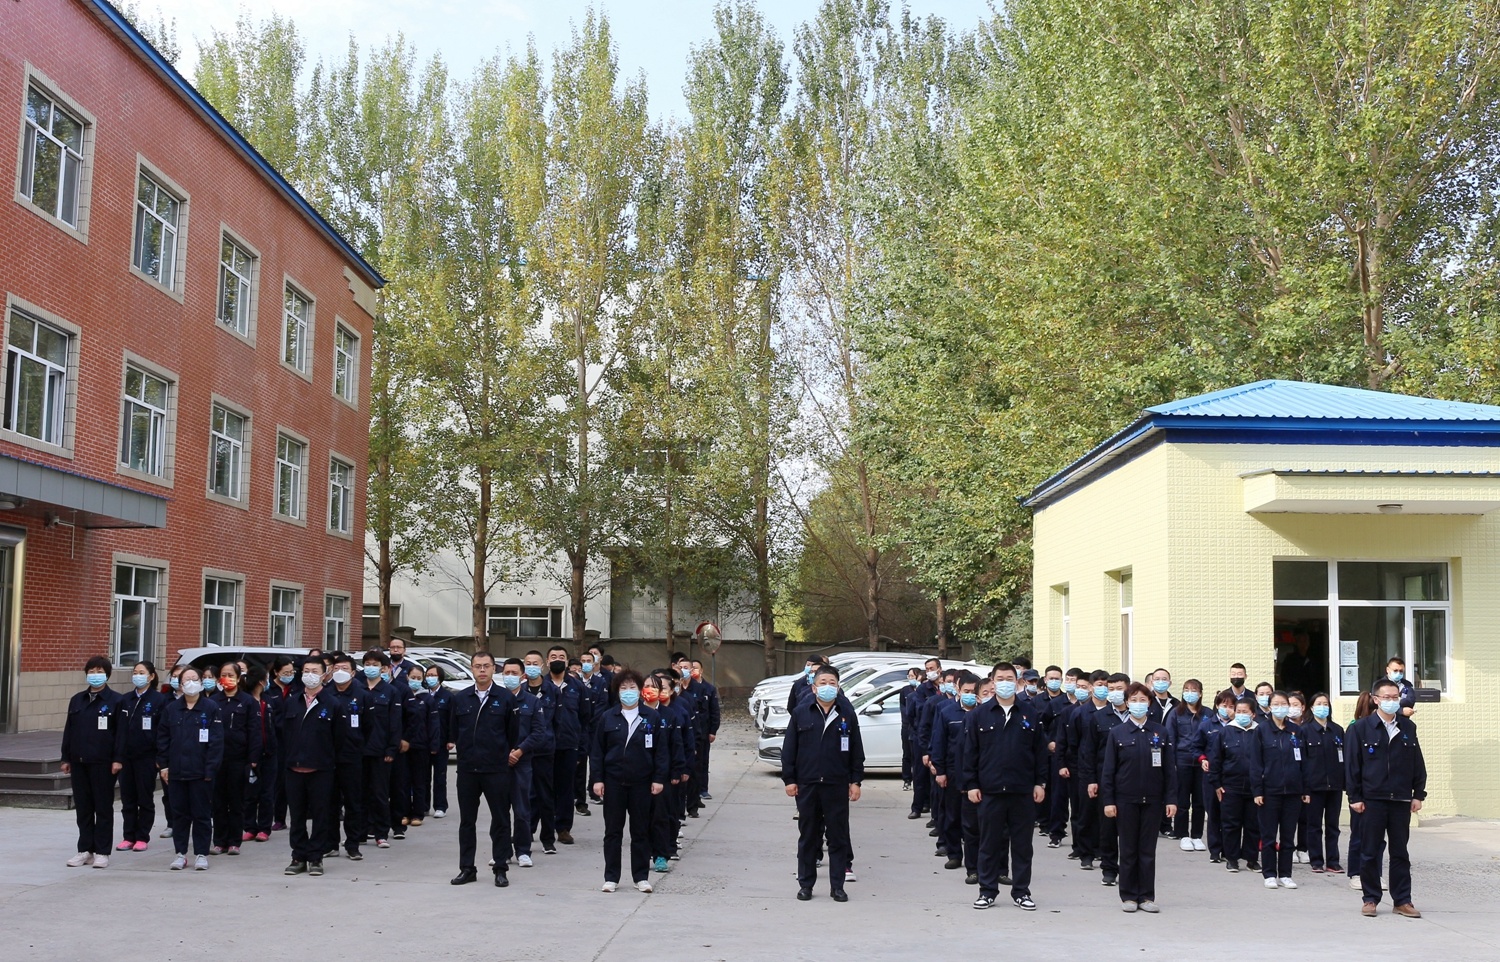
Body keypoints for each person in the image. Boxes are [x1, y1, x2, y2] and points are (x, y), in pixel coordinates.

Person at [962, 662, 1047, 911]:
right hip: (990, 791)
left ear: (1017, 680)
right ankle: (987, 891)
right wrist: (971, 784)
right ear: (992, 681)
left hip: (1022, 791)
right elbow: (970, 753)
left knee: (1022, 846)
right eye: (1001, 678)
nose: (1006, 682)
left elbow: (1039, 752)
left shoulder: (1030, 713)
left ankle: (1021, 891)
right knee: (989, 843)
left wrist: (1040, 782)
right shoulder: (979, 715)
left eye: (1010, 678)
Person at [781, 664, 863, 903]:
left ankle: (837, 886)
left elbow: (856, 750)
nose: (828, 687)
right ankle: (806, 884)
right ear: (814, 687)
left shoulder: (847, 713)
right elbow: (790, 749)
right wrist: (790, 779)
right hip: (807, 784)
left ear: (838, 687)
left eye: (832, 683)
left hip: (836, 784)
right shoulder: (801, 713)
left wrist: (855, 780)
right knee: (808, 836)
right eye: (823, 683)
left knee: (837, 837)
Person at [1347, 679, 1427, 918]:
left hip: (1401, 799)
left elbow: (1417, 763)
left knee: (1400, 852)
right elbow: (1352, 767)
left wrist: (1418, 794)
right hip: (1372, 799)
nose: (1392, 701)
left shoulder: (1407, 727)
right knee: (1370, 851)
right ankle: (1370, 898)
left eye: (1395, 697)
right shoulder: (1360, 728)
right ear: (1375, 699)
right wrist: (1355, 797)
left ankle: (1402, 900)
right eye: (1387, 697)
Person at [1101, 682, 1178, 912]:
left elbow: (1169, 770)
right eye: (1133, 700)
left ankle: (1146, 897)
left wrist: (1171, 799)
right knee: (1128, 849)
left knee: (1147, 850)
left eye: (1142, 700)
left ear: (1150, 703)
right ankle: (1128, 897)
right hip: (1125, 800)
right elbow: (1109, 771)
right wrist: (1109, 801)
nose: (1138, 704)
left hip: (1153, 800)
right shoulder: (1117, 733)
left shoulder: (1160, 732)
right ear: (1126, 703)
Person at [593, 668, 671, 894]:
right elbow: (597, 752)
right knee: (613, 832)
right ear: (617, 692)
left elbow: (661, 751)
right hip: (614, 782)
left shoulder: (652, 717)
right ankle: (611, 877)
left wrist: (658, 779)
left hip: (642, 783)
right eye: (623, 688)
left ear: (640, 691)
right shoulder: (608, 717)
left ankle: (640, 877)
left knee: (640, 831)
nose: (628, 692)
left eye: (632, 688)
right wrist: (597, 779)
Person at [448, 650, 521, 888]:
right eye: (477, 666)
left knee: (500, 819)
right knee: (467, 821)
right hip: (468, 769)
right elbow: (453, 731)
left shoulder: (505, 698)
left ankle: (501, 868)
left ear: (493, 669)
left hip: (496, 769)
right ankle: (467, 868)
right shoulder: (460, 698)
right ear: (471, 668)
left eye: (486, 666)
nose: (482, 670)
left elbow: (513, 733)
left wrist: (500, 754)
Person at [277, 658, 343, 877]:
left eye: (315, 671)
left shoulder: (332, 703)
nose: (309, 675)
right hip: (294, 769)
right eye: (306, 671)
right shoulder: (292, 701)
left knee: (320, 815)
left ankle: (316, 857)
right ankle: (298, 856)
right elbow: (283, 734)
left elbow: (339, 739)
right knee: (296, 817)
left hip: (321, 770)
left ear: (325, 675)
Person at [157, 667, 223, 871]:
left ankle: (201, 853)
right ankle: (180, 853)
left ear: (201, 682)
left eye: (195, 678)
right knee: (179, 814)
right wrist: (164, 765)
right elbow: (163, 739)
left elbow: (216, 741)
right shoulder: (172, 709)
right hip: (177, 772)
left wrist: (210, 770)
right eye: (187, 679)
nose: (191, 682)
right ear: (180, 684)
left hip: (200, 773)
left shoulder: (211, 708)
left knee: (201, 814)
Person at [61, 656, 125, 868]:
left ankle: (102, 851)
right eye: (91, 670)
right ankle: (84, 849)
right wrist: (66, 757)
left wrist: (117, 759)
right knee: (84, 808)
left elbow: (121, 734)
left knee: (103, 807)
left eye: (99, 671)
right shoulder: (77, 700)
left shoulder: (116, 701)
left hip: (103, 763)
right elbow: (69, 730)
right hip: (79, 762)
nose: (95, 674)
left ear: (107, 674)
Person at [1251, 690, 1305, 890]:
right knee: (1268, 836)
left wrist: (1304, 789)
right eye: (1277, 704)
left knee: (1289, 836)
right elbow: (1255, 763)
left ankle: (1286, 874)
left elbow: (1303, 762)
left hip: (1292, 791)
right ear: (1270, 706)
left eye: (1284, 704)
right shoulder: (1262, 730)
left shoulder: (1296, 731)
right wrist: (1257, 791)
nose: (1281, 707)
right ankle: (1269, 873)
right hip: (1269, 791)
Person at [499, 657, 551, 869]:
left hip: (522, 762)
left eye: (513, 673)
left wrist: (519, 751)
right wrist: (504, 753)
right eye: (506, 673)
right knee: (500, 810)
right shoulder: (498, 699)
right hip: (499, 763)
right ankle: (501, 851)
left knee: (522, 810)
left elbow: (539, 732)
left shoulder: (532, 702)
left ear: (522, 677)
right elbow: (491, 732)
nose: (509, 677)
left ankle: (523, 850)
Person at [1081, 672, 1132, 887]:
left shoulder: (1141, 717)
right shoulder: (1098, 718)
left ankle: (1131, 869)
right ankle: (1109, 869)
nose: (1114, 693)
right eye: (1111, 689)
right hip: (1106, 779)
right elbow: (1088, 751)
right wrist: (1091, 779)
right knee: (1107, 827)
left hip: (1133, 781)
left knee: (1130, 830)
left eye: (1119, 689)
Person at [208, 663, 262, 856]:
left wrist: (253, 759)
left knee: (236, 801)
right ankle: (219, 841)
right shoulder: (214, 701)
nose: (227, 678)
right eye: (223, 675)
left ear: (239, 678)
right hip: (217, 760)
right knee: (218, 802)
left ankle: (234, 841)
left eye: (231, 675)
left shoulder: (248, 702)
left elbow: (255, 732)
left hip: (239, 759)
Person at [931, 672, 980, 873]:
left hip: (977, 774)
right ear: (958, 690)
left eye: (973, 692)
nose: (969, 695)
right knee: (952, 816)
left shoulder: (983, 713)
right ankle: (954, 854)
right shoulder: (947, 712)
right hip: (952, 771)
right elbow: (939, 742)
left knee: (974, 821)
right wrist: (940, 771)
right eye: (966, 691)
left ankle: (974, 859)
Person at [323, 654, 370, 859]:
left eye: (344, 668)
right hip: (328, 756)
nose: (339, 672)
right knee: (329, 802)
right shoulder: (325, 694)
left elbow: (369, 726)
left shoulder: (362, 694)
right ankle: (331, 843)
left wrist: (359, 745)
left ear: (352, 672)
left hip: (352, 755)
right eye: (336, 668)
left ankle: (353, 844)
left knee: (353, 802)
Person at [544, 644, 591, 845]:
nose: (557, 659)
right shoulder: (540, 685)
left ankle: (563, 828)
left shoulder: (577, 687)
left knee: (565, 789)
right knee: (541, 790)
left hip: (569, 745)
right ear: (547, 661)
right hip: (543, 747)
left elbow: (585, 719)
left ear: (567, 661)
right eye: (553, 656)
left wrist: (582, 748)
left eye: (561, 656)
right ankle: (535, 828)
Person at [118, 660, 166, 853]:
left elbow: (162, 731)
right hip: (126, 757)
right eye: (135, 672)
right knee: (128, 798)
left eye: (142, 672)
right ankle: (128, 835)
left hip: (147, 757)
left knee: (144, 798)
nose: (137, 675)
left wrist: (159, 758)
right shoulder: (125, 700)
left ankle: (142, 836)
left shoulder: (159, 700)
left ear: (151, 676)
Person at [1208, 698, 1259, 874]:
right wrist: (1217, 784)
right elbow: (1215, 760)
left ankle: (1252, 859)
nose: (1242, 715)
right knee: (1230, 824)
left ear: (1253, 713)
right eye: (1239, 711)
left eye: (1246, 712)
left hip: (1255, 788)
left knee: (1254, 824)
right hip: (1231, 786)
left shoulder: (1259, 731)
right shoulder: (1225, 732)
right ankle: (1232, 858)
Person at [359, 650, 401, 847]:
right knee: (359, 793)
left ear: (384, 668)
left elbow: (395, 724)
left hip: (381, 750)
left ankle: (381, 832)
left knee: (380, 793)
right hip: (358, 751)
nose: (370, 667)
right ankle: (360, 830)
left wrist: (391, 749)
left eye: (375, 664)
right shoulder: (358, 689)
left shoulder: (390, 692)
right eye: (367, 663)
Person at [1302, 692, 1345, 874]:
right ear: (1312, 708)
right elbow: (1301, 761)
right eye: (1319, 703)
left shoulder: (1337, 730)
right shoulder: (1304, 730)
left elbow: (1344, 758)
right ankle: (1316, 860)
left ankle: (1333, 861)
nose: (1323, 707)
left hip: (1334, 785)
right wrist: (1304, 788)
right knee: (1314, 826)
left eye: (1325, 703)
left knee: (1333, 826)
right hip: (1314, 786)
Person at [1197, 690, 1235, 862]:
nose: (1226, 709)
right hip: (1211, 775)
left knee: (1230, 815)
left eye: (1230, 706)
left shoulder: (1238, 726)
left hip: (1232, 776)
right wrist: (1202, 759)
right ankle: (1214, 850)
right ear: (1217, 706)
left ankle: (1230, 850)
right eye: (1223, 705)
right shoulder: (1207, 725)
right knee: (1213, 813)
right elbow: (1196, 747)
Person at [241, 663, 277, 843]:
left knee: (267, 793)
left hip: (269, 753)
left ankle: (264, 828)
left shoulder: (269, 700)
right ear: (261, 681)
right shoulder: (245, 701)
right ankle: (249, 826)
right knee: (249, 793)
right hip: (249, 755)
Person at [1168, 679, 1206, 851]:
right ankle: (1182, 834)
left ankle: (1197, 835)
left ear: (1200, 693)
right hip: (1182, 760)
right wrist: (1172, 762)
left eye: (1194, 690)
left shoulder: (1207, 714)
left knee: (1200, 801)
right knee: (1183, 800)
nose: (1190, 693)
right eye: (1186, 689)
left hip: (1201, 762)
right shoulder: (1176, 713)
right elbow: (1170, 739)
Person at [401, 665, 436, 829]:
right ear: (407, 677)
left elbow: (433, 724)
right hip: (403, 746)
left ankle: (418, 813)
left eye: (418, 678)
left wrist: (433, 744)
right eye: (412, 677)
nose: (415, 680)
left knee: (420, 781)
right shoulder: (402, 695)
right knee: (403, 781)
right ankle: (404, 812)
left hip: (421, 745)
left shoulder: (427, 698)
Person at [690, 659, 721, 801]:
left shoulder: (709, 689)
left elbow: (714, 711)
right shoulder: (686, 689)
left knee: (703, 761)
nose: (693, 671)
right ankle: (691, 791)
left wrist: (713, 731)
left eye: (696, 668)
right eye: (691, 668)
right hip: (690, 731)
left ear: (701, 670)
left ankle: (703, 789)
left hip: (704, 730)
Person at [425, 665, 452, 818]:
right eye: (428, 674)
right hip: (424, 742)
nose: (430, 677)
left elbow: (451, 720)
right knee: (423, 777)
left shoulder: (447, 696)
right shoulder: (422, 694)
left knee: (440, 776)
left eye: (433, 675)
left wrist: (451, 739)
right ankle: (423, 805)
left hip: (441, 742)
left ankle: (440, 806)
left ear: (439, 677)